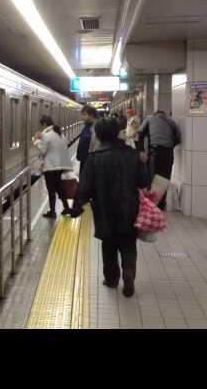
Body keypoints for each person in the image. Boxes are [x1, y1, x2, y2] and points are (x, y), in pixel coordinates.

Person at [70, 118, 150, 297]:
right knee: (129, 243)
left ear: (98, 135)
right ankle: (128, 271)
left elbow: (85, 186)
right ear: (117, 133)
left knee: (109, 245)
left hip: (104, 209)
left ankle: (112, 279)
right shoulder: (132, 154)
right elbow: (144, 181)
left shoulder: (94, 158)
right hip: (130, 207)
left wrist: (77, 207)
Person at [136, 110, 181, 210]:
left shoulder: (149, 119)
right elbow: (178, 139)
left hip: (154, 153)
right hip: (168, 153)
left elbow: (140, 134)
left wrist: (141, 151)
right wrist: (168, 147)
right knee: (164, 178)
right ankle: (161, 205)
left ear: (155, 114)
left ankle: (152, 204)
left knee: (153, 177)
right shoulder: (171, 122)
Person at [35, 115, 73, 218]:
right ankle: (66, 208)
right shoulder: (60, 134)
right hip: (59, 166)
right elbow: (66, 143)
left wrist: (37, 140)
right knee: (60, 188)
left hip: (50, 167)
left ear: (44, 124)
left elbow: (42, 150)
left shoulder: (46, 135)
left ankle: (52, 212)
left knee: (51, 190)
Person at [71, 105, 99, 175]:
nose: (82, 117)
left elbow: (96, 145)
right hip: (84, 160)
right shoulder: (87, 126)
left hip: (90, 161)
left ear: (91, 115)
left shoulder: (96, 127)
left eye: (84, 115)